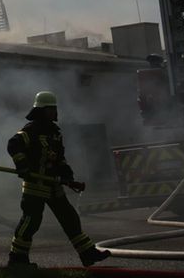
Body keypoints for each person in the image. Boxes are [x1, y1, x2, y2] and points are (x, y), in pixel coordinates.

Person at [7, 91, 110, 269]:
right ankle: (17, 259)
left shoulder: (55, 133)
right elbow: (13, 145)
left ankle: (87, 253)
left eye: (55, 109)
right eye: (51, 109)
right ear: (42, 110)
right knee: (31, 222)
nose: (55, 112)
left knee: (70, 218)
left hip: (53, 185)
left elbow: (59, 159)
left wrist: (67, 175)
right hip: (35, 186)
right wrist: (22, 166)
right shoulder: (31, 130)